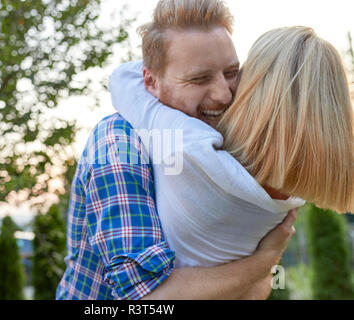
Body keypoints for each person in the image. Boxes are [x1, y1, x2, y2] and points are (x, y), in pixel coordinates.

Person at [56, 0, 299, 300]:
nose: (223, 94)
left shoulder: (230, 146)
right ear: (150, 82)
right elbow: (145, 300)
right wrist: (264, 261)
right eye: (199, 79)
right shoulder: (118, 145)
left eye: (231, 72)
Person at [109, 26, 353, 270]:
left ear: (252, 88)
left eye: (235, 73)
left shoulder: (193, 146)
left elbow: (124, 78)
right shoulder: (292, 197)